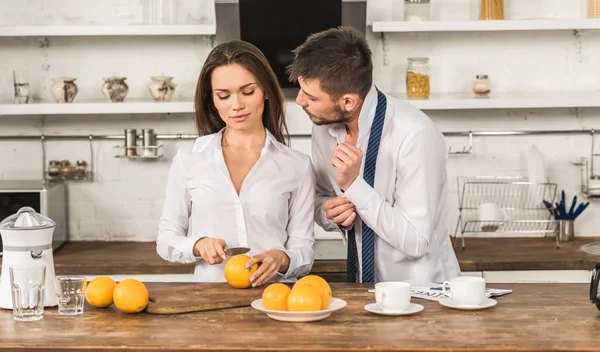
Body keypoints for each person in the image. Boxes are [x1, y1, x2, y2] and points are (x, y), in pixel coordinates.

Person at [289, 26, 461, 283]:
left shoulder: (415, 136)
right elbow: (320, 196)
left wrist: (353, 186)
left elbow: (417, 241)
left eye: (311, 97)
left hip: (421, 295)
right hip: (362, 290)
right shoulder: (324, 128)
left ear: (348, 102)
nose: (300, 101)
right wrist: (330, 214)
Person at [157, 40, 316, 286]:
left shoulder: (297, 165)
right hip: (208, 303)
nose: (236, 105)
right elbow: (166, 239)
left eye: (248, 92)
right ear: (212, 101)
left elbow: (303, 249)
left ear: (265, 92)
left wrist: (282, 258)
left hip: (273, 299)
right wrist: (198, 245)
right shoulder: (189, 159)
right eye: (224, 95)